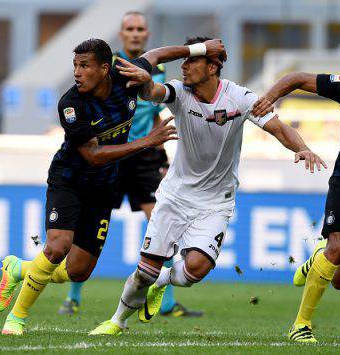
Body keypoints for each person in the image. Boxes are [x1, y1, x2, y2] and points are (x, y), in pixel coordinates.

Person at [89, 36, 327, 336]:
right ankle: (118, 320)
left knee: (195, 270)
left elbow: (278, 127)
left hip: (216, 201)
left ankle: (164, 281)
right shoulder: (179, 92)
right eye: (184, 61)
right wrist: (146, 80)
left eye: (192, 61)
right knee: (144, 273)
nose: (185, 67)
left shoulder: (239, 98)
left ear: (213, 66)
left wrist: (301, 148)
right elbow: (153, 92)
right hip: (176, 194)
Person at [0, 37, 227, 335]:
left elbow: (156, 54)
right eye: (75, 65)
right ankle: (17, 317)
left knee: (78, 271)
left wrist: (202, 49)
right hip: (69, 180)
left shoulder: (125, 78)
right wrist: (146, 141)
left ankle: (17, 269)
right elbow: (92, 155)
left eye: (84, 66)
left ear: (105, 68)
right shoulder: (71, 104)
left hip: (103, 187)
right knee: (57, 247)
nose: (77, 72)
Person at [58, 11, 202, 318]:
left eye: (140, 29)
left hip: (146, 157)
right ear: (121, 35)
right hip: (110, 154)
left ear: (147, 34)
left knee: (161, 223)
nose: (135, 34)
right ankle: (73, 296)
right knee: (87, 228)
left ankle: (164, 301)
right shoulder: (109, 69)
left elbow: (162, 102)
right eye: (129, 29)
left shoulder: (156, 70)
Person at [251, 72, 340, 343]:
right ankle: (301, 325)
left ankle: (318, 255)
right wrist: (268, 100)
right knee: (339, 247)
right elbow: (295, 79)